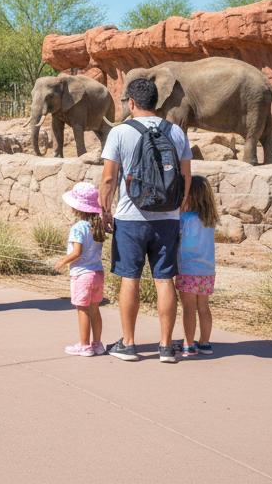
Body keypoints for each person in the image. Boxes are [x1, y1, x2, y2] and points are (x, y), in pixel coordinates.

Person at [98, 77, 193, 364]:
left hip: (131, 218)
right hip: (168, 218)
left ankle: (128, 344)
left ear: (131, 103)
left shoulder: (120, 132)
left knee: (131, 278)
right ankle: (166, 347)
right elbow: (186, 176)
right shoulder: (175, 132)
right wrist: (178, 207)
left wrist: (105, 211)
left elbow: (108, 178)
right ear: (157, 102)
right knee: (165, 280)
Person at [54, 182, 108, 356]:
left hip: (82, 274)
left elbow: (77, 252)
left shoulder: (78, 227)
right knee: (94, 309)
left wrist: (63, 261)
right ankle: (98, 344)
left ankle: (84, 346)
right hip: (98, 273)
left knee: (82, 309)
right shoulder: (98, 225)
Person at [177, 175, 218, 356]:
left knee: (188, 308)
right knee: (203, 307)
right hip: (207, 270)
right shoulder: (210, 220)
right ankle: (205, 342)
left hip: (188, 269)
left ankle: (188, 343)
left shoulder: (185, 219)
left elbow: (181, 241)